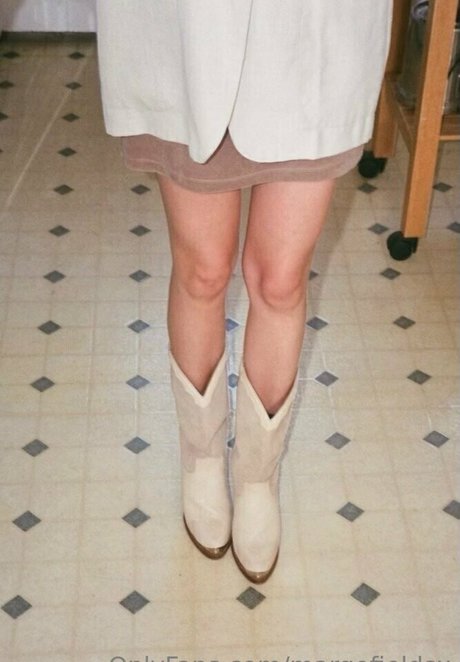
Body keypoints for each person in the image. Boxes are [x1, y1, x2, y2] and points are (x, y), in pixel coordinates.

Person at [96, 0, 393, 583]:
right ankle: (202, 458)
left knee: (280, 281)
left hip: (314, 29)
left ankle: (258, 476)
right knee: (203, 271)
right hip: (188, 26)